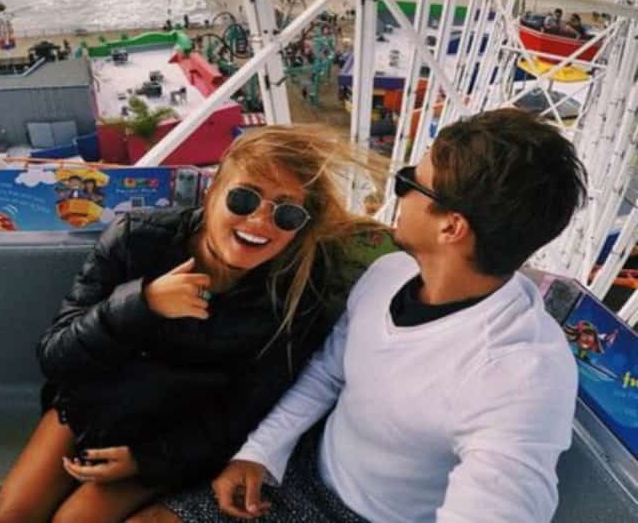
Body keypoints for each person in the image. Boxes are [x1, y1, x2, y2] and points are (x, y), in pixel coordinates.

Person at [0, 126, 394, 523]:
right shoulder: (137, 239)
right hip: (95, 406)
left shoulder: (297, 294)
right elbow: (56, 355)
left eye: (286, 213)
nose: (259, 221)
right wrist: (141, 304)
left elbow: (244, 411)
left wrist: (145, 460)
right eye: (243, 198)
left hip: (175, 433)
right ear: (212, 191)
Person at [203, 108, 586, 523]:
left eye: (408, 182)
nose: (397, 193)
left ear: (451, 227)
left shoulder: (521, 372)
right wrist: (261, 452)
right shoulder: (389, 273)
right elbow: (329, 373)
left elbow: (504, 499)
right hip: (304, 467)